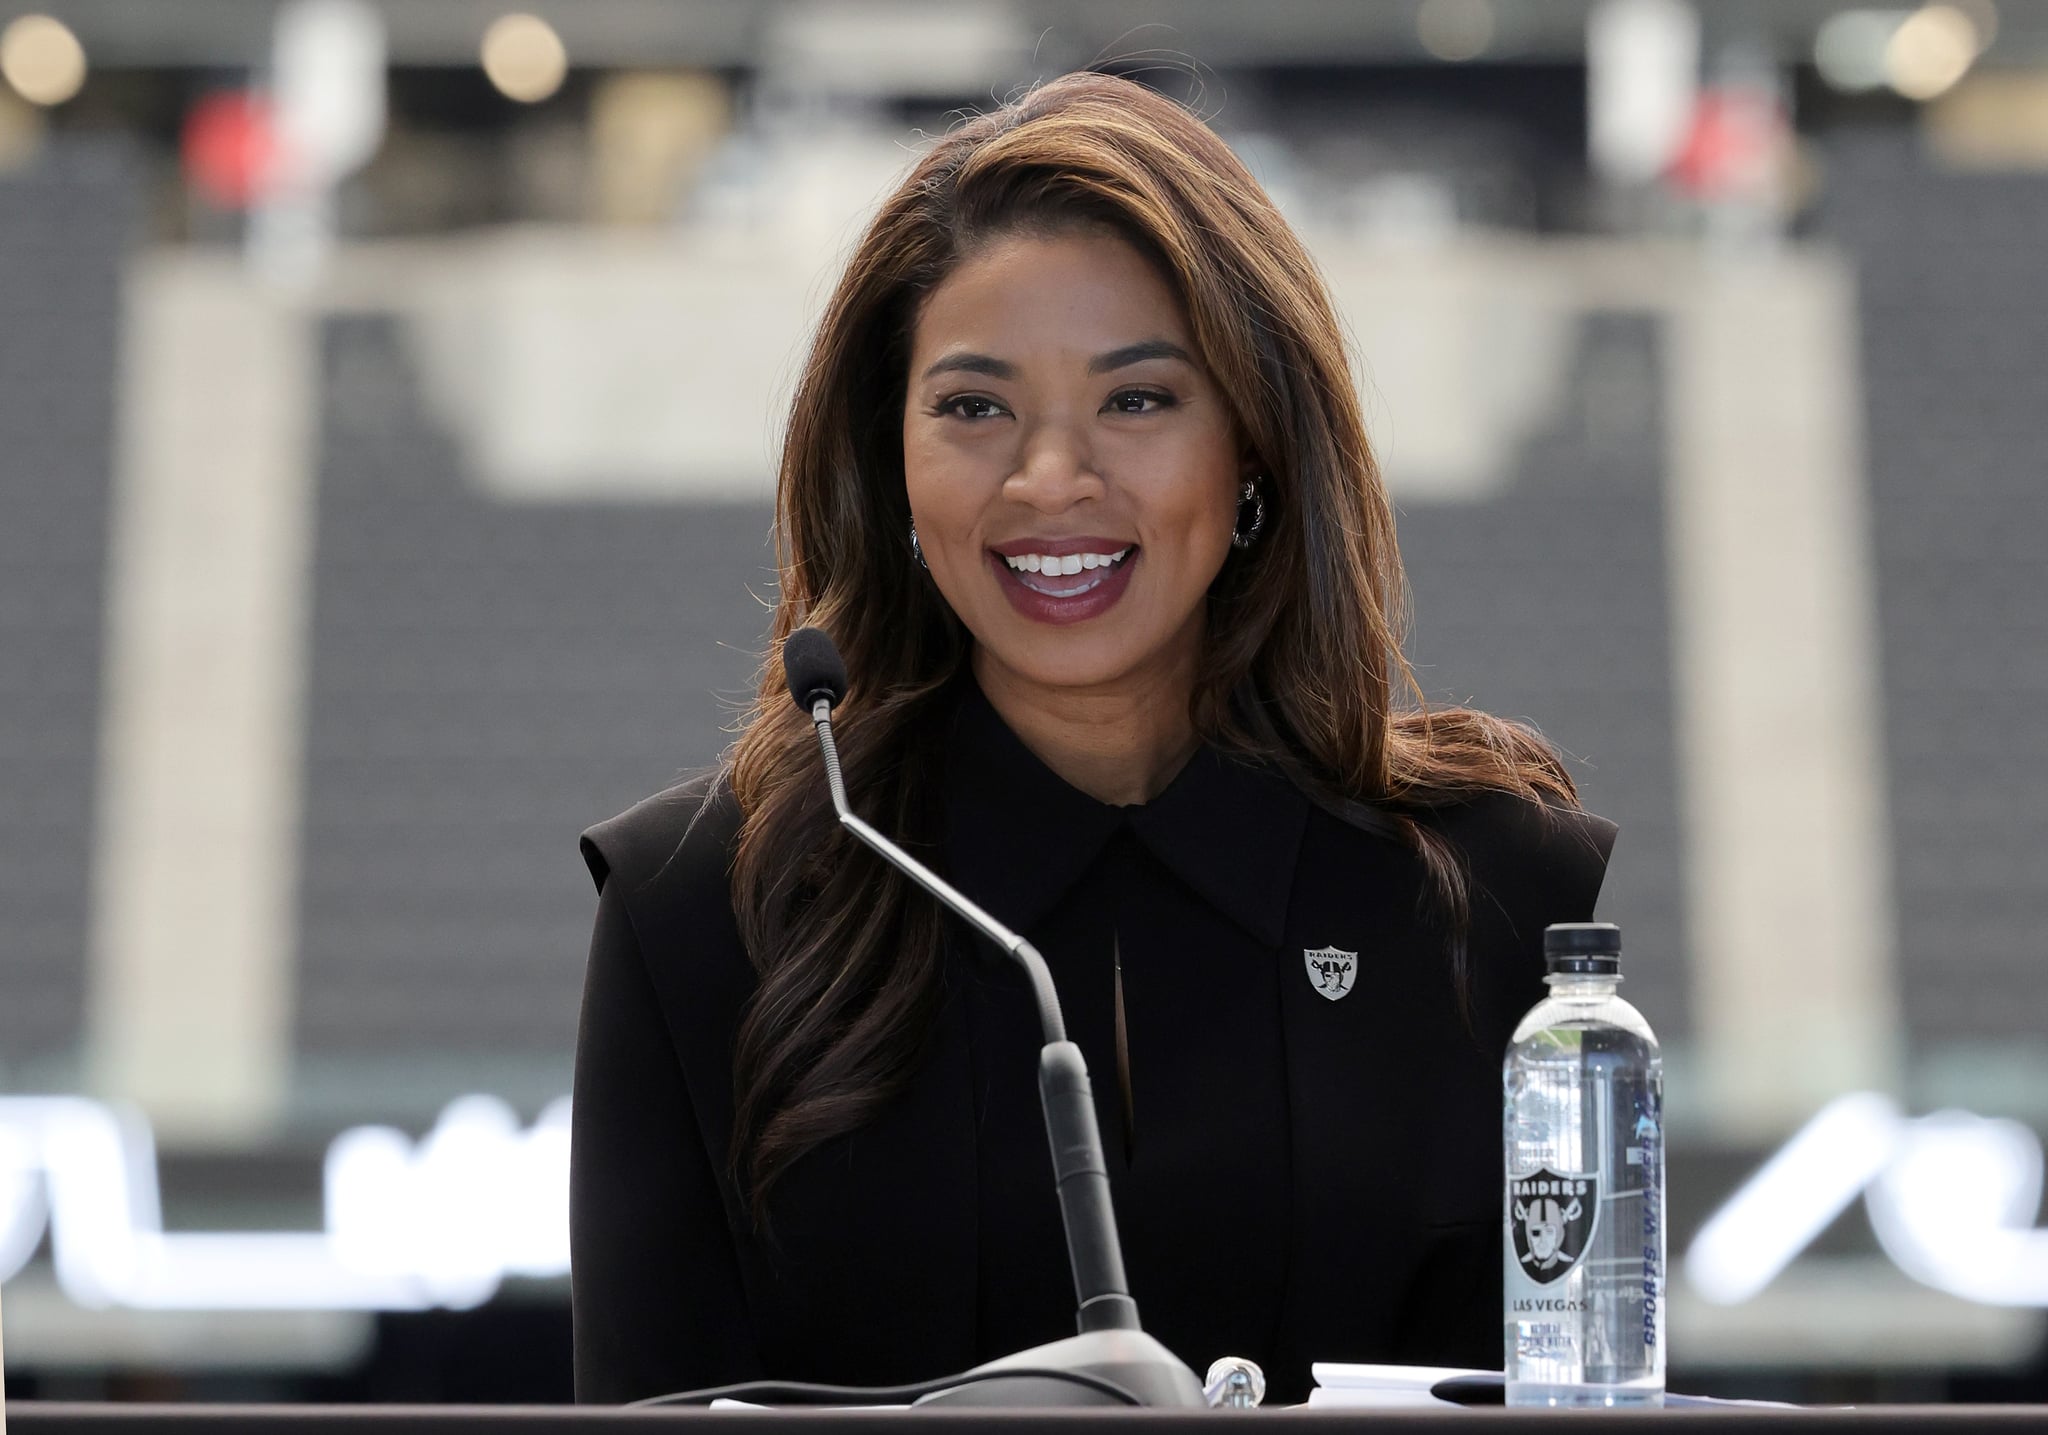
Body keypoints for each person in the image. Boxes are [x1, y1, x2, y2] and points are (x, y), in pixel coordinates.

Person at [570, 70, 1615, 1407]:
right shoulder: (698, 909)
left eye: (1137, 401)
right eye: (972, 407)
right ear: (885, 460)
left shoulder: (1498, 894)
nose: (1049, 479)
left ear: (1256, 450)